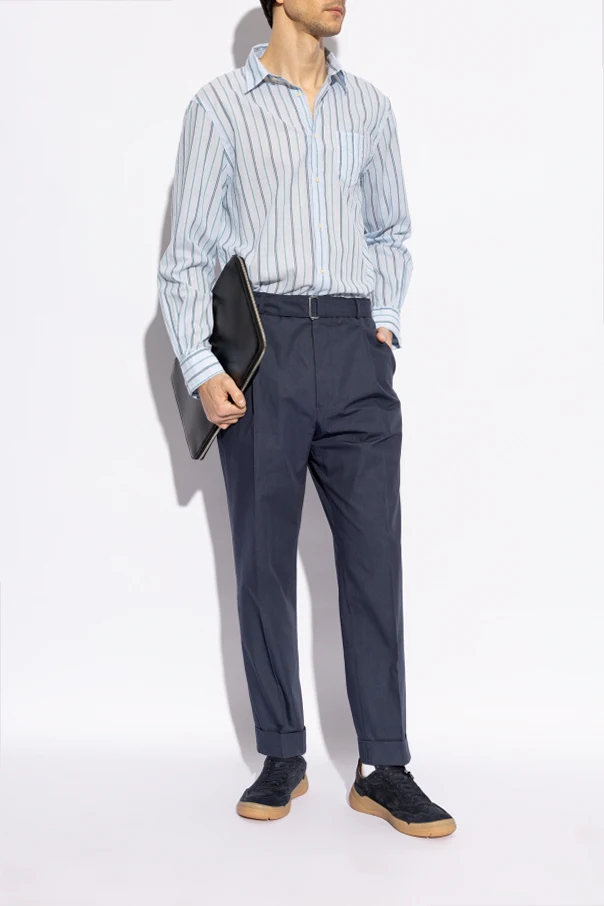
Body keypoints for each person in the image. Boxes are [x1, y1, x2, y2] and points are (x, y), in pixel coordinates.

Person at [157, 0, 456, 838]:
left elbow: (391, 230)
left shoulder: (372, 108)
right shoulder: (219, 107)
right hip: (269, 347)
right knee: (263, 559)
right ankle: (282, 753)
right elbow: (188, 253)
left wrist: (383, 322)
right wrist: (202, 367)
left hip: (357, 347)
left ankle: (383, 766)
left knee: (374, 561)